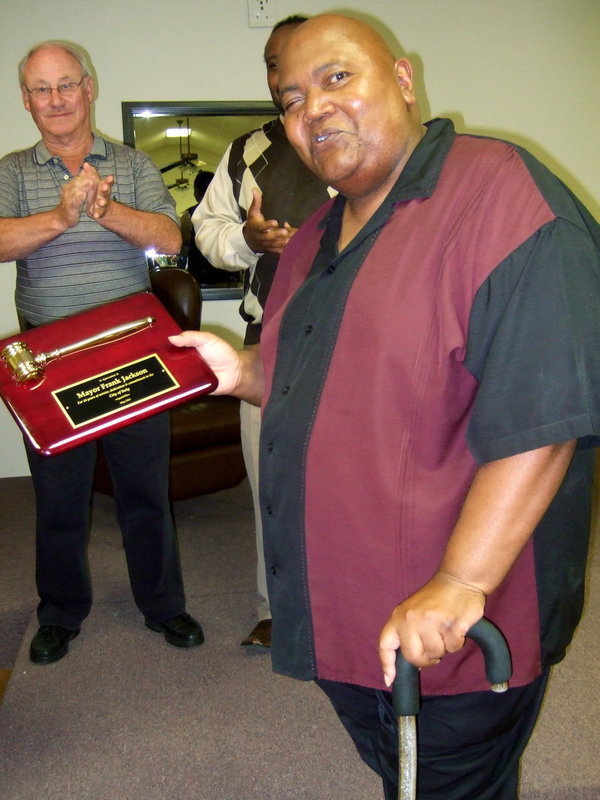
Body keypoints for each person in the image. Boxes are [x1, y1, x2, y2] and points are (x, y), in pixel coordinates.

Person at [171, 13, 600, 800]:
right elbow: (312, 369)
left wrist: (461, 580)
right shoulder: (315, 234)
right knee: (401, 773)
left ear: (403, 81)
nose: (314, 110)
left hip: (454, 621)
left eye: (338, 77)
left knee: (446, 782)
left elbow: (545, 419)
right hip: (345, 611)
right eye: (291, 99)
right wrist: (243, 370)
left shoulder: (502, 197)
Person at [0, 41, 204, 665]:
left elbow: (169, 238)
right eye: (41, 88)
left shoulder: (133, 163)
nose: (56, 99)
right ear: (26, 99)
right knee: (59, 496)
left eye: (66, 84)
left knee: (145, 490)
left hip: (132, 353)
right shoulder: (12, 171)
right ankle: (60, 613)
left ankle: (163, 605)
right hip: (50, 359)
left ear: (88, 87)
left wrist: (107, 210)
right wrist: (61, 218)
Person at [193, 15, 333, 650]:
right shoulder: (247, 151)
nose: (282, 75)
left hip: (358, 342)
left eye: (294, 60)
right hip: (270, 343)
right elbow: (208, 229)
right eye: (273, 64)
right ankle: (276, 607)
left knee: (355, 479)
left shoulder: (357, 134)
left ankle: (353, 600)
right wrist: (248, 240)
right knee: (271, 482)